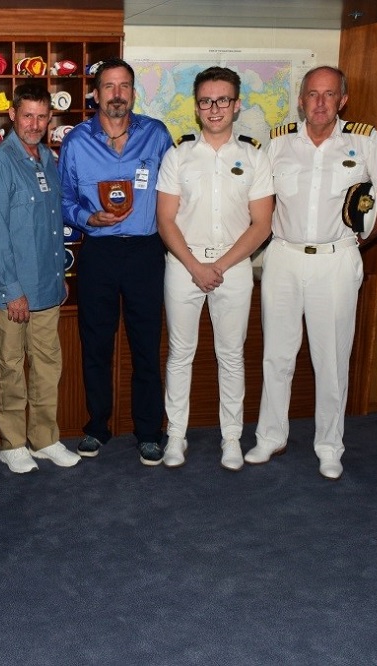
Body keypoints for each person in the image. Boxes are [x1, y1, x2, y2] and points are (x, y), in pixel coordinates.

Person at [245, 65, 377, 479]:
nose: (320, 103)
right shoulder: (278, 145)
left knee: (332, 357)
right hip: (283, 256)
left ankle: (330, 445)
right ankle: (270, 436)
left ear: (343, 100)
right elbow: (259, 203)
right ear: (301, 99)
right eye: (312, 94)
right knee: (277, 354)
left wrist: (358, 243)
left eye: (329, 94)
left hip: (336, 260)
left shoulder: (365, 141)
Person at [156, 67, 273, 471]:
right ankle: (175, 437)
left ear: (237, 105)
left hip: (234, 266)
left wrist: (218, 266)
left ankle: (232, 439)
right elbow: (165, 220)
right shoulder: (178, 155)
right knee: (179, 354)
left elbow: (263, 224)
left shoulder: (255, 156)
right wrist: (195, 266)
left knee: (231, 356)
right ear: (196, 107)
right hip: (184, 264)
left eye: (223, 100)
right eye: (206, 101)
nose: (214, 108)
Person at [58, 57, 173, 465]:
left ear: (133, 93)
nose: (117, 94)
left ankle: (149, 432)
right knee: (96, 346)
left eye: (124, 86)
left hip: (145, 252)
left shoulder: (157, 136)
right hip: (100, 253)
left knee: (146, 347)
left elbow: (176, 194)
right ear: (95, 94)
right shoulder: (76, 142)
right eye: (109, 86)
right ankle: (97, 427)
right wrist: (88, 217)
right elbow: (64, 201)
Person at [0, 83, 81, 474]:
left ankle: (44, 438)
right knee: (9, 366)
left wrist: (58, 276)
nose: (35, 124)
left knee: (47, 366)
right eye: (28, 116)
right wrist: (11, 291)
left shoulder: (48, 159)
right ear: (13, 116)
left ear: (49, 119)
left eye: (42, 117)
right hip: (13, 293)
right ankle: (12, 444)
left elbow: (50, 225)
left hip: (47, 288)